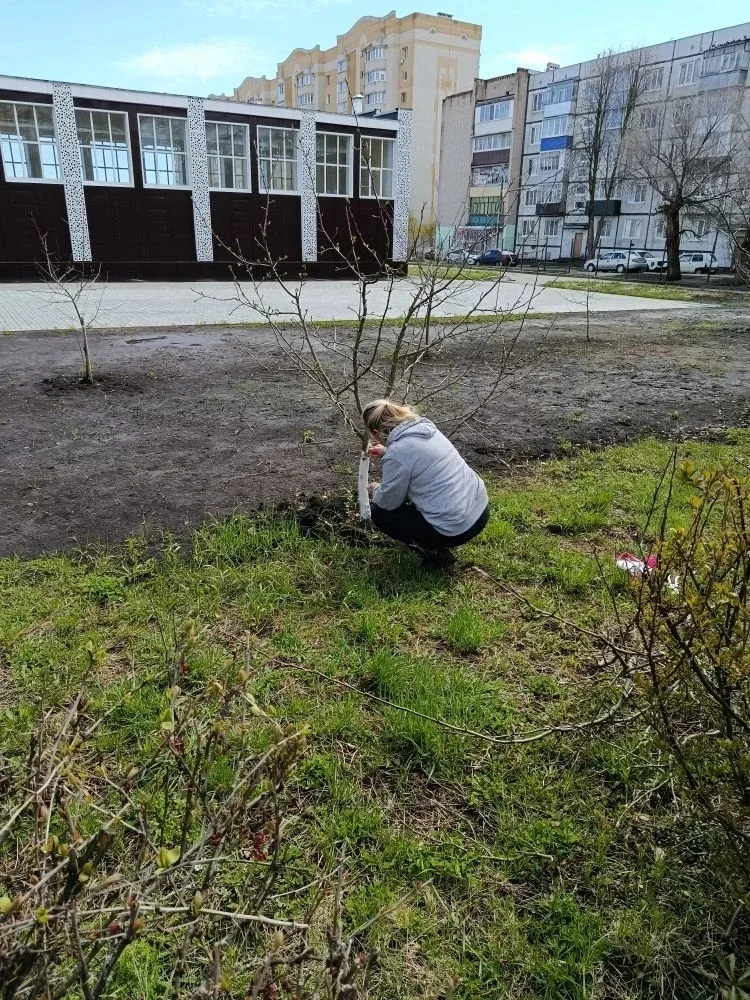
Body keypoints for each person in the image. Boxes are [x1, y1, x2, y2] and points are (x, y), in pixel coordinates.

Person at [363, 398, 490, 568]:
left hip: (458, 528)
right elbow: (416, 457)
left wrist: (375, 489)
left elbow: (388, 502)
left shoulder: (398, 453)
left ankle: (436, 554)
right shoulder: (426, 429)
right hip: (480, 510)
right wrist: (387, 451)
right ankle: (434, 539)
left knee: (381, 513)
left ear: (376, 432)